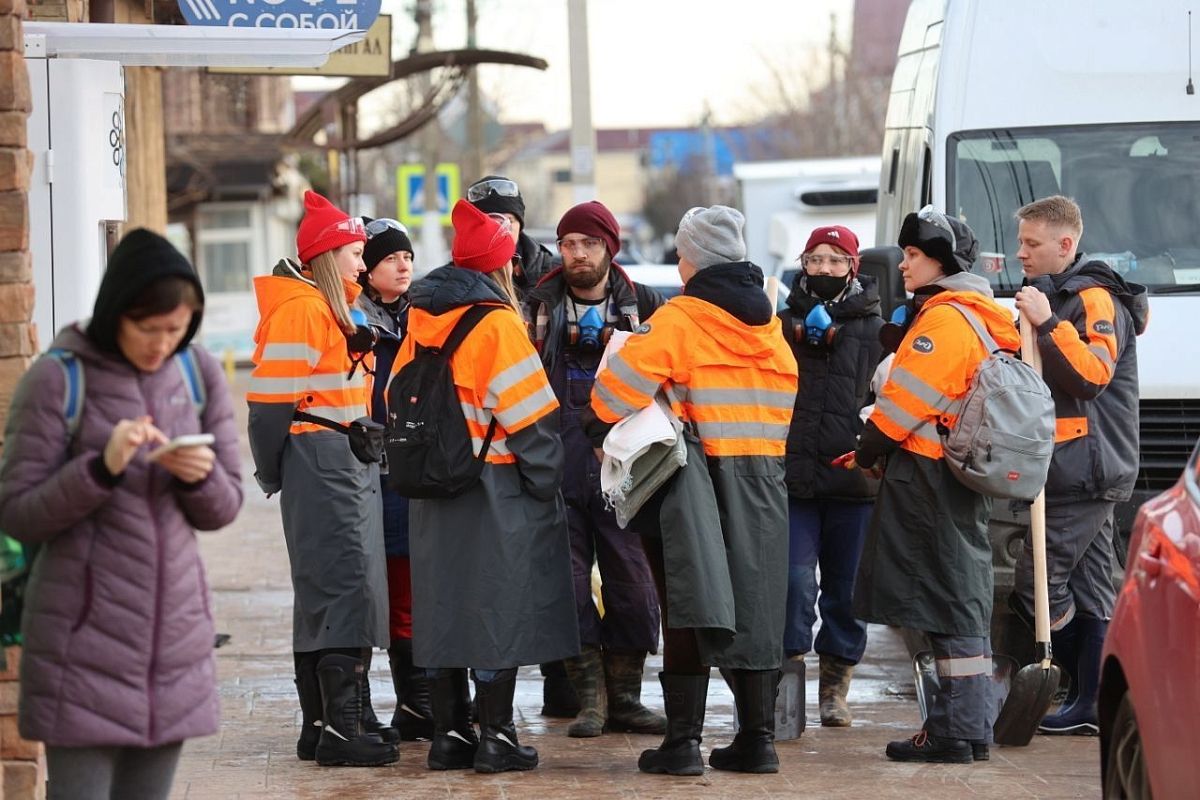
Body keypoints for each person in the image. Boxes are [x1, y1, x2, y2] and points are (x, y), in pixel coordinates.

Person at [0, 228, 243, 800]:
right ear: (116, 315)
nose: (162, 344)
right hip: (81, 647)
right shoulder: (59, 379)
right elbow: (18, 513)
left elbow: (226, 504)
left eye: (176, 329)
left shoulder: (196, 372)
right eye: (148, 329)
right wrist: (100, 469)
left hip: (174, 644)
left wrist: (199, 475)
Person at [588, 205, 798, 776]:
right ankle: (757, 741)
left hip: (694, 479)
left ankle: (682, 744)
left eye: (681, 254)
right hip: (763, 479)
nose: (678, 264)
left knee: (688, 597)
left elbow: (612, 396)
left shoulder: (681, 319)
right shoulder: (772, 326)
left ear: (694, 260)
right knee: (756, 602)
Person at [396, 199, 579, 773]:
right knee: (498, 605)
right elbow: (530, 418)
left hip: (432, 488)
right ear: (500, 267)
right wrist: (545, 482)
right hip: (494, 486)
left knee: (445, 605)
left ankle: (450, 735)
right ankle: (496, 738)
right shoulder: (497, 323)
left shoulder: (420, 319)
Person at [849, 207, 1019, 764]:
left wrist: (872, 445)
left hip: (928, 473)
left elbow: (906, 401)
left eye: (914, 255)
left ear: (940, 261)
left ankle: (956, 731)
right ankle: (963, 728)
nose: (903, 264)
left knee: (947, 601)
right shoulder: (976, 315)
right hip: (950, 471)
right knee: (954, 597)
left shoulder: (946, 319)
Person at [247, 190, 397, 767]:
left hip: (338, 457)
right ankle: (340, 730)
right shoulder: (305, 310)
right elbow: (267, 406)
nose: (364, 262)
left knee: (329, 590)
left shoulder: (332, 307)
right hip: (325, 460)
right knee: (344, 585)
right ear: (328, 255)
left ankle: (329, 725)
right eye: (356, 253)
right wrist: (273, 468)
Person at [523, 200, 667, 739]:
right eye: (567, 244)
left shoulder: (645, 306)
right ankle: (591, 702)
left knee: (634, 585)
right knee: (567, 587)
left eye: (587, 243)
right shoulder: (535, 308)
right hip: (557, 469)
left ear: (609, 247)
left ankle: (627, 699)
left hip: (624, 471)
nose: (576, 254)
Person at [1010, 195, 1148, 736]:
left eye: (1031, 244)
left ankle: (1084, 685)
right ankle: (1094, 701)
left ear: (1065, 245)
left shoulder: (1091, 299)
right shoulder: (1059, 296)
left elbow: (1092, 375)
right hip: (1078, 464)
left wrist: (1046, 324)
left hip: (1087, 468)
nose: (1020, 252)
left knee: (1036, 582)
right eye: (1021, 241)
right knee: (1094, 591)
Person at [466, 174, 578, 718]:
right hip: (498, 438)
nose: (498, 229)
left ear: (520, 220)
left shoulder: (549, 276)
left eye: (505, 219)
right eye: (487, 221)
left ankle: (563, 683)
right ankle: (492, 713)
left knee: (556, 567)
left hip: (550, 428)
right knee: (501, 577)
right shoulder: (469, 277)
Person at [778, 225, 883, 727]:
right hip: (793, 479)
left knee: (845, 589)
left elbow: (890, 398)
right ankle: (790, 674)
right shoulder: (778, 326)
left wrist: (870, 449)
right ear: (802, 264)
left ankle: (835, 686)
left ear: (853, 268)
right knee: (795, 582)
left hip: (854, 482)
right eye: (815, 260)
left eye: (835, 261)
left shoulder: (878, 330)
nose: (823, 270)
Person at [352, 216, 434, 741]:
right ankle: (388, 700)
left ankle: (418, 700)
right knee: (376, 585)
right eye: (388, 258)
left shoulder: (424, 317)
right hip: (368, 467)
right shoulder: (355, 324)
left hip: (415, 467)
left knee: (415, 582)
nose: (403, 265)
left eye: (406, 256)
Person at [465, 175, 556, 297]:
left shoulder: (551, 273)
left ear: (520, 225)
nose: (502, 229)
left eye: (509, 220)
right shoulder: (458, 278)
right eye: (492, 222)